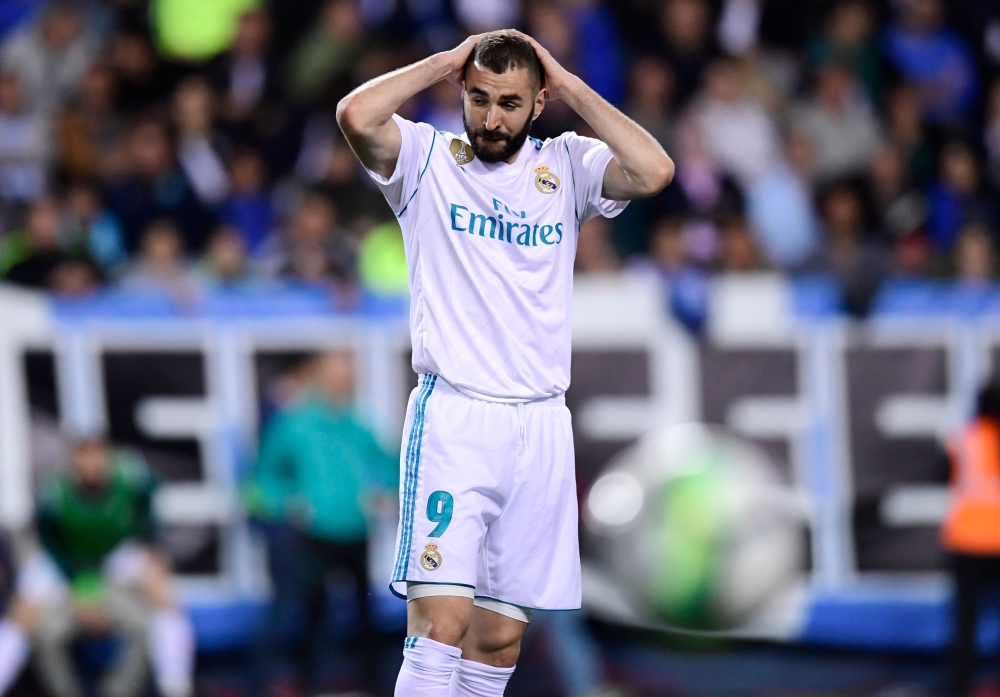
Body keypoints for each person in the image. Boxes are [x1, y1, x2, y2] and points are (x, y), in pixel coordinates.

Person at [336, 29, 673, 696]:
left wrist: (573, 86)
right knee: (440, 624)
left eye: (512, 104)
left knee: (498, 640)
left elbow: (655, 170)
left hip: (540, 426)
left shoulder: (567, 166)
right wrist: (442, 61)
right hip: (456, 418)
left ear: (540, 102)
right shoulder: (427, 159)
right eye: (480, 98)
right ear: (461, 90)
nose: (492, 119)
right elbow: (355, 115)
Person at [248, 351, 397, 693]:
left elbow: (389, 465)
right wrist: (288, 504)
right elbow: (262, 481)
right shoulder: (295, 424)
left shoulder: (359, 425)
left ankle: (370, 686)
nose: (344, 382)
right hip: (313, 536)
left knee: (365, 618)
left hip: (355, 532)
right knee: (309, 617)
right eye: (338, 375)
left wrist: (383, 494)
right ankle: (309, 685)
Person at [0, 437, 194, 697]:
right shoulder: (56, 490)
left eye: (97, 456)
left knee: (163, 594)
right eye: (84, 457)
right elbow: (49, 539)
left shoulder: (129, 479)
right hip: (67, 560)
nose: (91, 464)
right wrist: (84, 585)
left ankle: (176, 687)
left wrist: (150, 547)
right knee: (22, 614)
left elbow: (147, 513)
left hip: (112, 555)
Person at [942, 382, 1000, 696]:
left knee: (965, 625)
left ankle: (958, 686)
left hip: (964, 539)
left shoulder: (965, 437)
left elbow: (945, 473)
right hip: (993, 541)